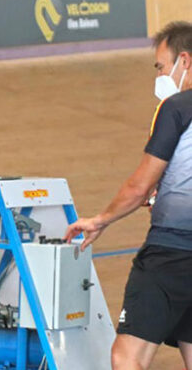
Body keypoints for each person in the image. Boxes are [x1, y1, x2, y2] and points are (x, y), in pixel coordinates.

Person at [64, 21, 192, 370]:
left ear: (185, 61)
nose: (160, 75)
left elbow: (138, 187)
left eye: (161, 67)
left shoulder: (177, 108)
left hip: (171, 254)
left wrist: (101, 219)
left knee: (127, 356)